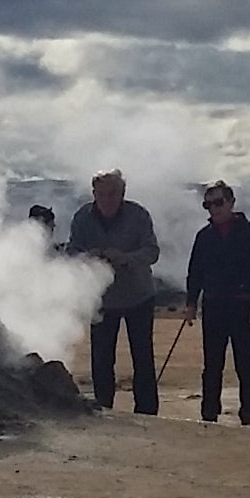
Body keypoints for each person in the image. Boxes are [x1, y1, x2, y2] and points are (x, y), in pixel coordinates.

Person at [62, 171, 163, 415]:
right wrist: (89, 256)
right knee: (102, 358)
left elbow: (152, 252)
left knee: (143, 356)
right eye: (102, 194)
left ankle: (147, 412)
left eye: (113, 194)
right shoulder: (83, 217)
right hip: (101, 299)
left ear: (122, 194)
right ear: (94, 194)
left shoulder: (138, 215)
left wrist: (125, 259)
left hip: (138, 296)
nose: (108, 199)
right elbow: (72, 249)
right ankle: (103, 409)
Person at [184, 181, 250, 425]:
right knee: (212, 364)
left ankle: (249, 414)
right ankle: (209, 412)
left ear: (231, 203)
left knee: (245, 363)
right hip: (213, 307)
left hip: (242, 307)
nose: (213, 208)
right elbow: (195, 272)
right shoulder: (204, 236)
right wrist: (191, 302)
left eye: (218, 202)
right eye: (208, 204)